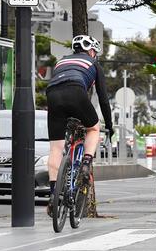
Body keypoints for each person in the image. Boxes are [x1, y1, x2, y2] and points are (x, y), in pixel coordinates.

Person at [45, 35, 114, 216]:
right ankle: (85, 163)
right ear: (91, 51)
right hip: (76, 90)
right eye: (95, 52)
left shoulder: (61, 62)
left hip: (52, 94)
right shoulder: (94, 64)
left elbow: (60, 84)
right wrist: (110, 125)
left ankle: (53, 195)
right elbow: (103, 99)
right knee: (93, 128)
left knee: (56, 148)